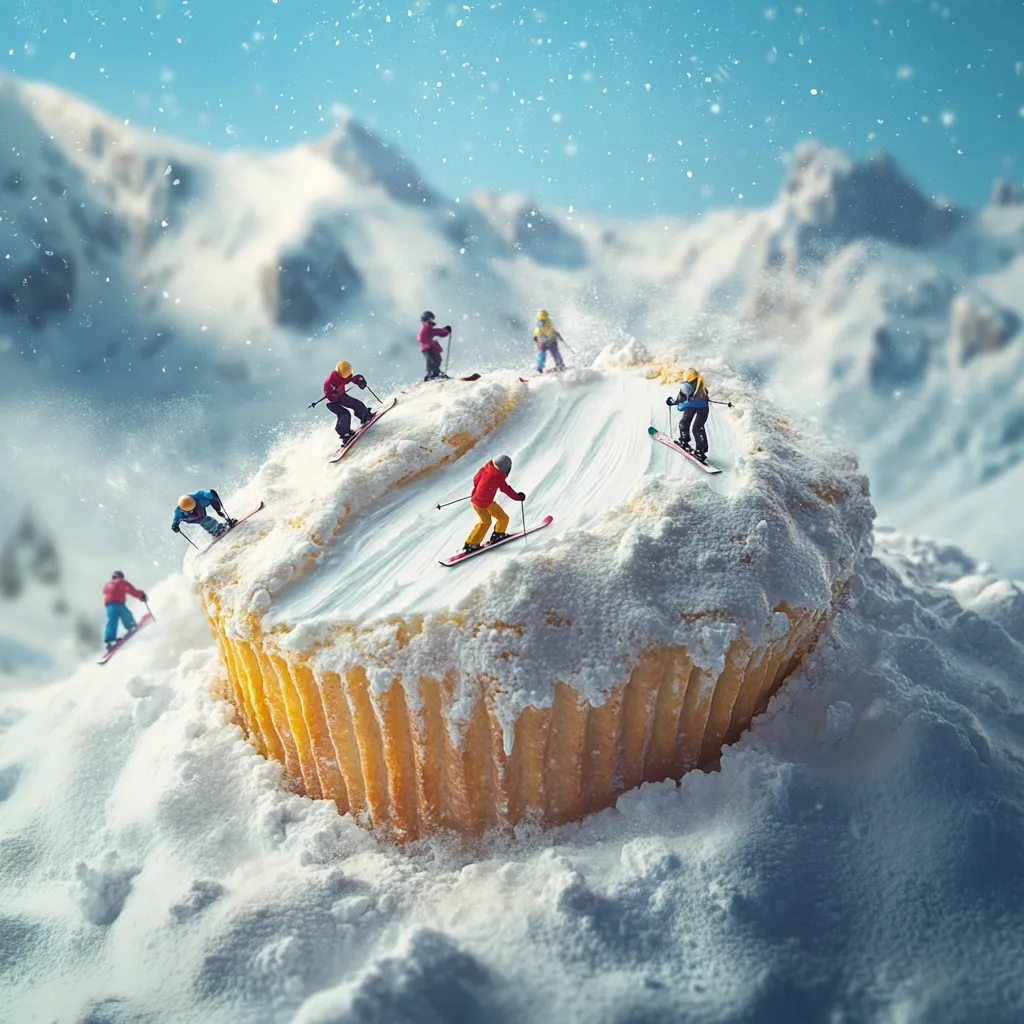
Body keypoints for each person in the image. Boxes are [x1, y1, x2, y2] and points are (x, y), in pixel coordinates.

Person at [464, 454, 526, 553]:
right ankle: (471, 544)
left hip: (484, 501)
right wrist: (518, 497)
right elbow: (505, 489)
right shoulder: (498, 477)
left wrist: (479, 490)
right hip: (480, 504)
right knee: (485, 522)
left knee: (503, 518)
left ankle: (498, 534)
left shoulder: (485, 469)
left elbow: (476, 479)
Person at [666, 368, 711, 462]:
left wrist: (674, 403)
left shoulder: (686, 387)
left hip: (696, 407)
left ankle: (685, 442)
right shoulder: (700, 385)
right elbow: (683, 398)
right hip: (703, 408)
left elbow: (680, 406)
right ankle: (700, 450)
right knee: (696, 427)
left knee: (687, 424)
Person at [324, 360, 373, 445]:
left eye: (348, 373)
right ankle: (345, 434)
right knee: (344, 414)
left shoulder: (344, 375)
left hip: (341, 396)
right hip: (331, 402)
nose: (346, 376)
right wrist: (332, 392)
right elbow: (328, 388)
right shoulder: (331, 379)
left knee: (356, 403)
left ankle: (364, 415)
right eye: (344, 374)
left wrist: (360, 380)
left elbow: (353, 378)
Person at [102, 570, 146, 651]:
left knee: (111, 621)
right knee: (126, 615)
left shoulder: (107, 585)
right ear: (121, 576)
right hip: (118, 604)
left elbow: (105, 592)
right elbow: (131, 591)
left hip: (109, 605)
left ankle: (109, 641)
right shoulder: (121, 582)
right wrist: (141, 595)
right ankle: (131, 626)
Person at [171, 490, 237, 538]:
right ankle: (216, 530)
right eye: (190, 510)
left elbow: (208, 496)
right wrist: (175, 526)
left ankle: (219, 527)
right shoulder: (178, 512)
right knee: (206, 520)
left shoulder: (200, 498)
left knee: (207, 518)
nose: (192, 511)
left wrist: (211, 495)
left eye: (192, 508)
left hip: (200, 510)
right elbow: (175, 521)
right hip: (192, 519)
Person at [418, 311, 452, 381]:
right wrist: (446, 330)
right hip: (427, 347)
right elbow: (436, 332)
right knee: (433, 360)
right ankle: (432, 374)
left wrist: (445, 330)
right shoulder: (426, 326)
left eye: (432, 319)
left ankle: (435, 373)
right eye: (430, 319)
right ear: (426, 319)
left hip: (429, 346)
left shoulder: (427, 327)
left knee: (436, 359)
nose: (431, 320)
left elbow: (435, 331)